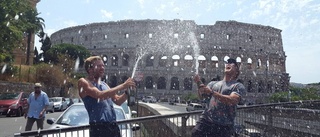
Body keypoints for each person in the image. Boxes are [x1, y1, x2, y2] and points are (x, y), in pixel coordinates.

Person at [78, 55, 136, 137]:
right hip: (99, 128)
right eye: (98, 66)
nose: (102, 68)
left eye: (103, 66)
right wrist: (123, 85)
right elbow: (99, 96)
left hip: (113, 126)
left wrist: (127, 92)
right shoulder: (83, 82)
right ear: (90, 69)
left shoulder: (104, 84)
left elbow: (118, 100)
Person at [191, 58, 246, 137]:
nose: (228, 64)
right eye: (227, 63)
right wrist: (198, 84)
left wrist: (212, 92)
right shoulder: (213, 83)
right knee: (195, 133)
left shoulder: (238, 86)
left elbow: (232, 100)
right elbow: (202, 97)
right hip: (206, 120)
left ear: (237, 71)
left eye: (232, 63)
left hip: (224, 125)